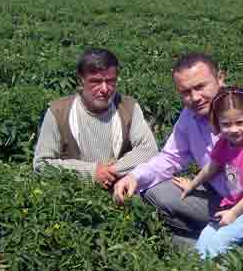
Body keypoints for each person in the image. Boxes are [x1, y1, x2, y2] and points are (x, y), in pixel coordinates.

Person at [113, 53, 243, 246]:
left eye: (200, 87)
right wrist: (134, 177)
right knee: (155, 192)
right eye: (185, 92)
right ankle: (220, 238)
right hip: (223, 198)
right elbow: (170, 158)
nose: (195, 98)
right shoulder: (189, 116)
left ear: (220, 78)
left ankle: (216, 242)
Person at [33, 48, 158, 188]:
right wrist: (91, 172)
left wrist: (111, 171)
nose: (104, 89)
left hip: (122, 189)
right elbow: (42, 164)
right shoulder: (59, 111)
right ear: (81, 80)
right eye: (96, 81)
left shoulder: (128, 107)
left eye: (110, 81)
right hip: (76, 195)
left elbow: (149, 150)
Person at [175, 88, 243, 258]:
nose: (234, 130)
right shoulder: (224, 143)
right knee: (205, 237)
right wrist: (192, 184)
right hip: (231, 206)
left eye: (240, 122)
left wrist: (234, 213)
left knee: (220, 241)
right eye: (226, 124)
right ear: (218, 123)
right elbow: (211, 168)